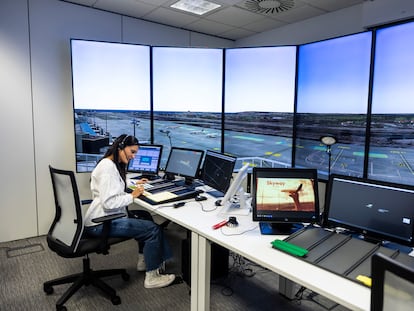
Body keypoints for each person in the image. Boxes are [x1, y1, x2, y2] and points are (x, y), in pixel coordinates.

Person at [84, 134, 175, 289]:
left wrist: (133, 183)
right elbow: (108, 202)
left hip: (104, 217)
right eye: (132, 152)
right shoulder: (107, 168)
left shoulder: (111, 164)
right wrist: (132, 197)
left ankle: (144, 261)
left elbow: (115, 185)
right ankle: (152, 277)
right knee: (152, 230)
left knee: (145, 216)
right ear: (120, 147)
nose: (133, 157)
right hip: (101, 222)